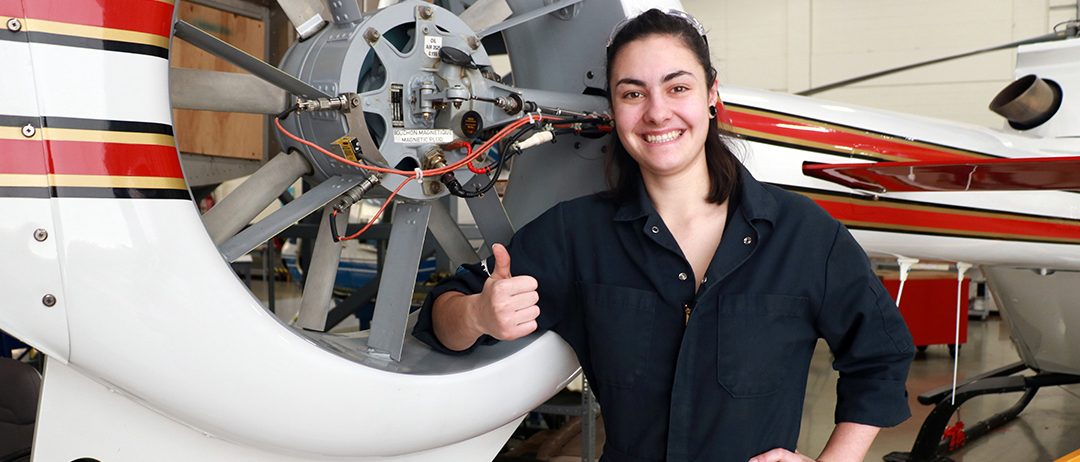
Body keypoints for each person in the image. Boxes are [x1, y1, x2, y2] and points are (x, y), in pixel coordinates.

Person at [413, 8, 914, 462]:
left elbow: (881, 353)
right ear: (614, 108)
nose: (657, 112)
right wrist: (479, 313)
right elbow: (441, 316)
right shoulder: (576, 236)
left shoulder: (803, 234)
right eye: (633, 93)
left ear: (712, 94)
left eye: (678, 87)